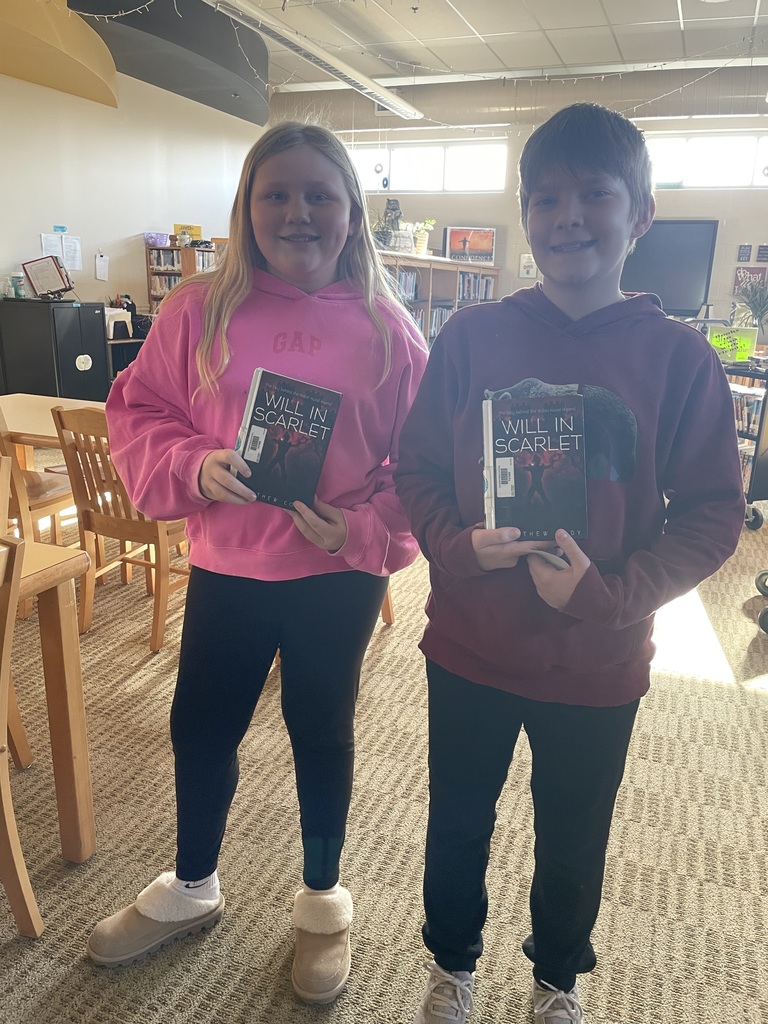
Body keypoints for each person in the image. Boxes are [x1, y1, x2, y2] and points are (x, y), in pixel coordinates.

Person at [394, 102, 745, 1024]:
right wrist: (456, 546)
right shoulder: (471, 339)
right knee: (458, 820)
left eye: (596, 195)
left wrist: (611, 594)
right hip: (470, 644)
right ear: (524, 214)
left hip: (599, 659)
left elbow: (714, 516)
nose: (568, 217)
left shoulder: (681, 360)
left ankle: (558, 979)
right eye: (544, 198)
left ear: (642, 215)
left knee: (574, 834)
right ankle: (451, 964)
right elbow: (418, 468)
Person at [87, 121, 427, 1005]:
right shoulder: (197, 310)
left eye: (320, 194)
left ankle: (322, 902)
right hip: (229, 565)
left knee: (323, 734)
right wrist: (194, 466)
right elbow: (140, 412)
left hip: (335, 578)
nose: (297, 212)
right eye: (275, 193)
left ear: (352, 211)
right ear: (246, 208)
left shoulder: (390, 333)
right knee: (200, 726)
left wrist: (356, 532)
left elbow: (424, 474)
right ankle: (193, 884)